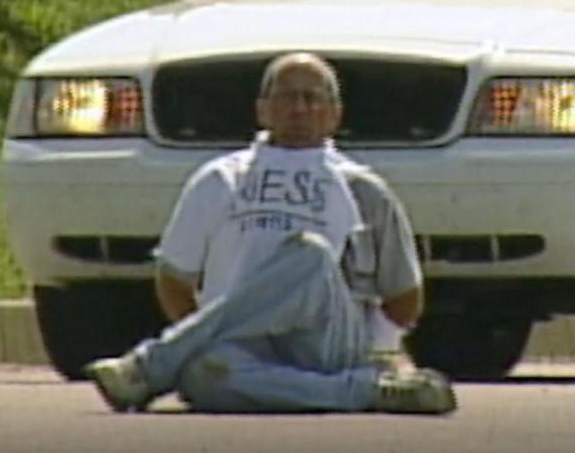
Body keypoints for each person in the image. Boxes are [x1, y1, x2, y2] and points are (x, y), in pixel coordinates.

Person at [85, 52, 456, 415]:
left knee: (308, 255)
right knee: (205, 375)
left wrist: (377, 352)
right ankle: (368, 391)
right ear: (262, 110)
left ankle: (147, 367)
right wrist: (208, 338)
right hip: (243, 347)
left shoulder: (364, 188)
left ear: (335, 114)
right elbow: (173, 278)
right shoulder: (221, 179)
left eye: (312, 98)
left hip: (327, 344)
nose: (299, 108)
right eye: (286, 97)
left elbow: (404, 298)